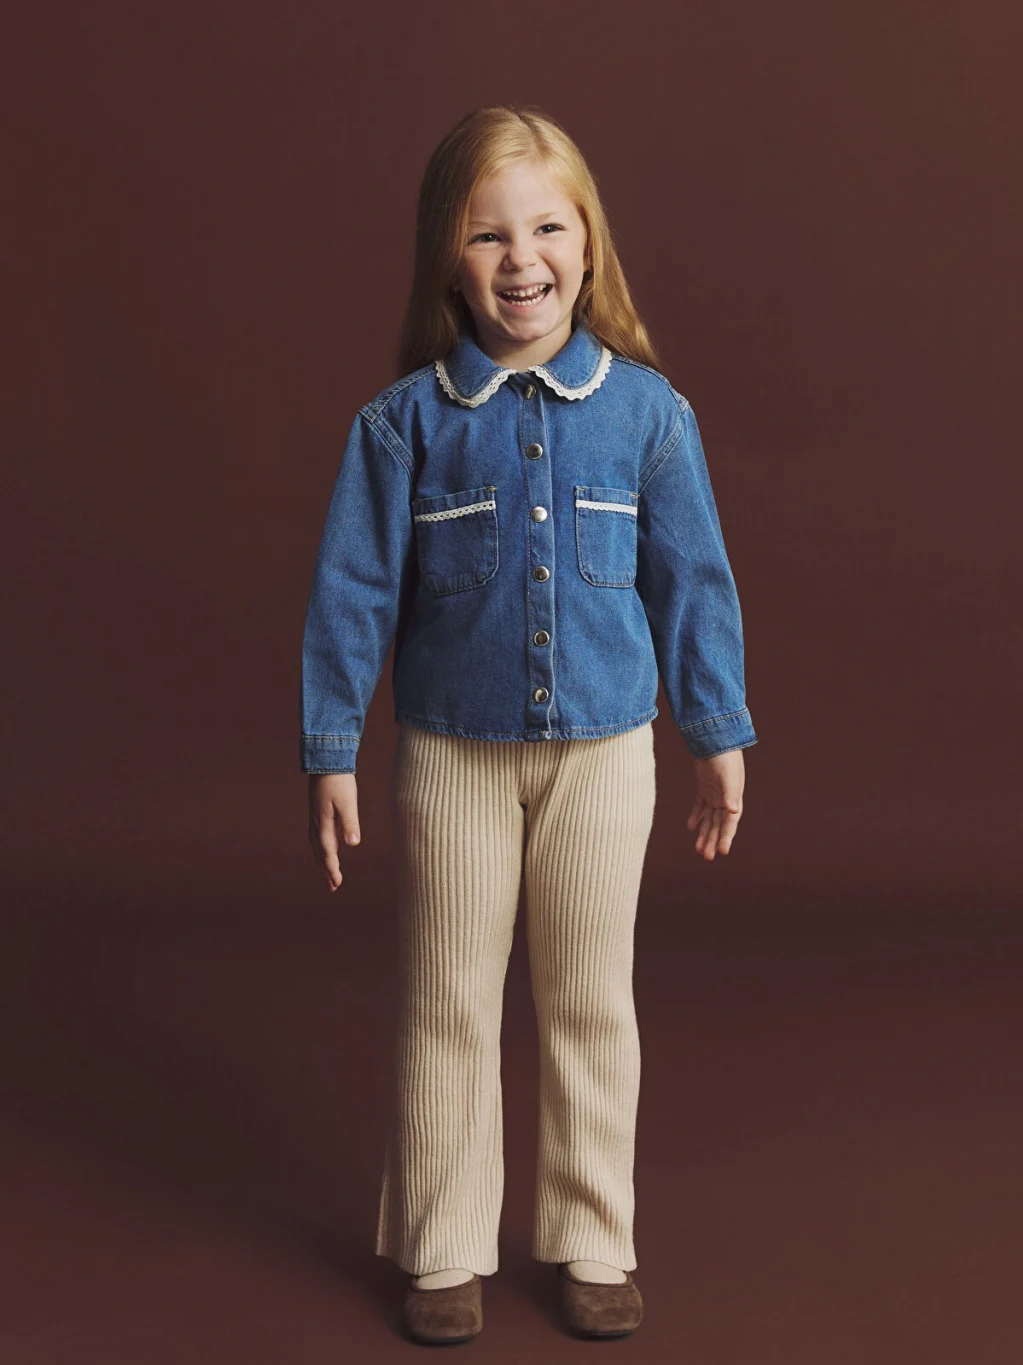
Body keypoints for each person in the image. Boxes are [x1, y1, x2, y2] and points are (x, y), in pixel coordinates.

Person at [300, 104, 757, 1343]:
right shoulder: (402, 425)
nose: (521, 259)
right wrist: (331, 748)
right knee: (447, 999)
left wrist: (716, 730)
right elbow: (352, 593)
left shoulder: (651, 417)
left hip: (605, 757)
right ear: (447, 262)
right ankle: (442, 1245)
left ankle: (592, 1235)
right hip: (450, 755)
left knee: (590, 1001)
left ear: (588, 246)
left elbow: (693, 582)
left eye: (548, 228)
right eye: (487, 234)